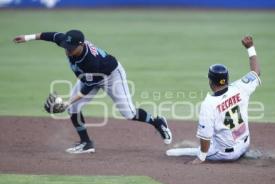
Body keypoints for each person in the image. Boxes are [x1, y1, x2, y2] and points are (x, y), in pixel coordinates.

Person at [13, 30, 172, 154]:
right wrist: (27, 38)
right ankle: (86, 143)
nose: (68, 51)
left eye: (71, 48)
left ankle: (157, 121)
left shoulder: (90, 61)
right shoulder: (67, 41)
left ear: (81, 45)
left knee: (129, 113)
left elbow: (87, 87)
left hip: (112, 76)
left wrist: (68, 101)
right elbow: (49, 35)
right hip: (88, 77)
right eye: (66, 47)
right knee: (73, 109)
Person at [166, 36, 261, 164]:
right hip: (245, 143)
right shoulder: (241, 87)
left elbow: (205, 136)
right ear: (227, 79)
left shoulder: (209, 103)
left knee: (176, 152)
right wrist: (250, 47)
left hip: (226, 154)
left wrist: (201, 157)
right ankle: (242, 150)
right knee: (219, 136)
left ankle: (190, 152)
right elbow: (256, 71)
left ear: (210, 81)